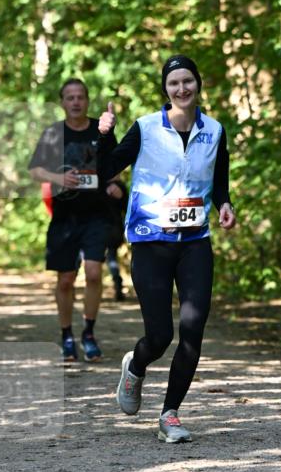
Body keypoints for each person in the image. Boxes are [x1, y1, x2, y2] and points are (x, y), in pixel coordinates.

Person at [97, 55, 236, 443]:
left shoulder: (215, 130)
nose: (181, 89)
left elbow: (219, 180)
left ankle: (170, 414)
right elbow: (106, 168)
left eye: (187, 81)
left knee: (193, 330)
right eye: (174, 83)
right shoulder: (144, 128)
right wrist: (105, 134)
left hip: (195, 242)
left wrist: (225, 204)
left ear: (198, 84)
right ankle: (135, 366)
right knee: (159, 336)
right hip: (150, 241)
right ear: (165, 89)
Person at [28, 78, 126, 361]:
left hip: (97, 215)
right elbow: (35, 171)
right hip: (65, 217)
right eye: (69, 97)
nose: (75, 102)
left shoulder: (101, 130)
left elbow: (115, 168)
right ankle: (67, 334)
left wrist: (114, 184)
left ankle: (89, 333)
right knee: (66, 280)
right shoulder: (53, 133)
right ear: (62, 102)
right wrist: (58, 177)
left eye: (80, 96)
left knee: (94, 273)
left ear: (87, 100)